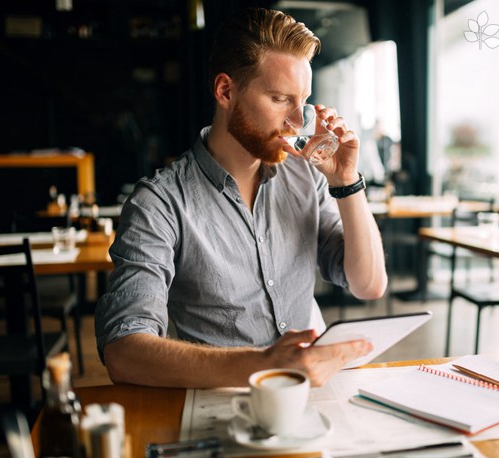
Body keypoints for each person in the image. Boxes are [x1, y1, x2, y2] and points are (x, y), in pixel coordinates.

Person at [94, 8, 387, 389]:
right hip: (222, 403)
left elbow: (368, 285)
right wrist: (265, 364)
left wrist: (346, 181)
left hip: (311, 395)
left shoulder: (306, 175)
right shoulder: (159, 203)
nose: (297, 121)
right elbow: (123, 351)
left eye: (303, 101)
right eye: (280, 99)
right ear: (226, 91)